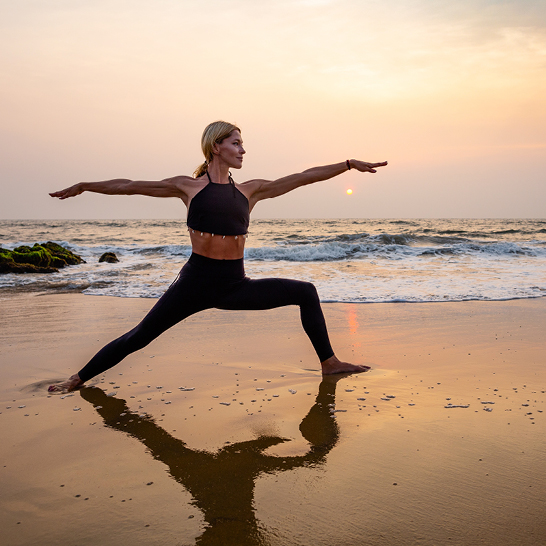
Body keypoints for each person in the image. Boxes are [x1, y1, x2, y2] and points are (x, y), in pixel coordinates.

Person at [48, 121, 387, 392]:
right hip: (193, 285)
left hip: (234, 285)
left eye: (241, 143)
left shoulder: (249, 191)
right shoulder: (189, 187)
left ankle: (329, 363)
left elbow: (301, 178)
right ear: (217, 147)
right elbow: (130, 185)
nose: (243, 150)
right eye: (236, 143)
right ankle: (77, 379)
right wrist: (86, 185)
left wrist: (346, 165)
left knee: (305, 292)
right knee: (139, 337)